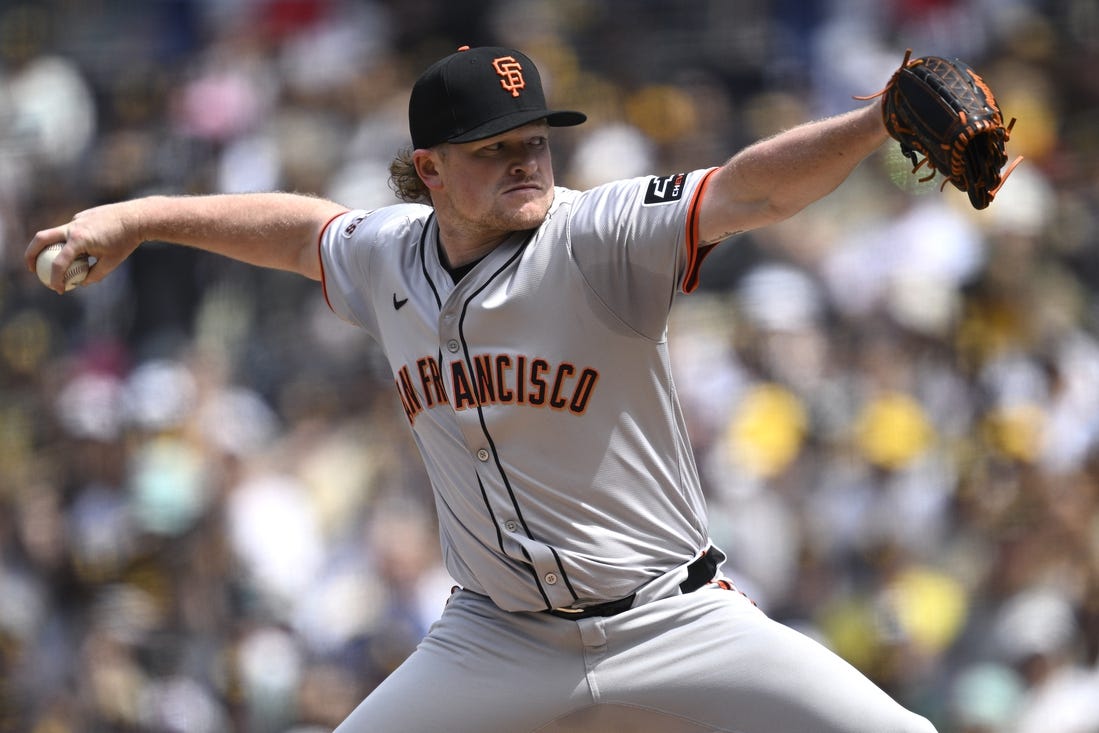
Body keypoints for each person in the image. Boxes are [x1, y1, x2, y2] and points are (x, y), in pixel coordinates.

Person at [27, 45, 938, 733]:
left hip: (671, 613)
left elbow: (748, 194)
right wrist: (136, 218)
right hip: (497, 637)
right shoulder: (388, 252)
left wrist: (872, 125)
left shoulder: (599, 236)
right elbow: (297, 230)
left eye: (534, 141)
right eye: (492, 148)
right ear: (429, 170)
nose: (525, 162)